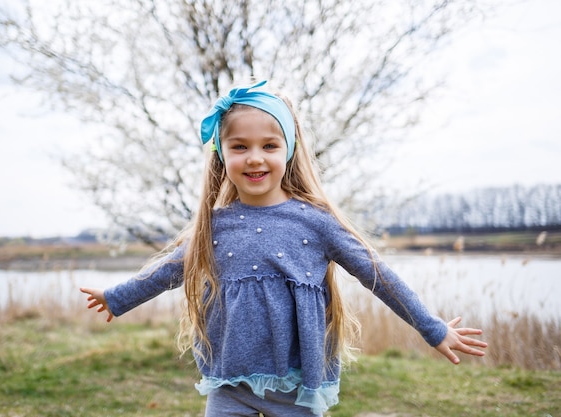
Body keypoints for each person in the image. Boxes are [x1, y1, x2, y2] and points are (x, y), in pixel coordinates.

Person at [80, 80, 487, 416]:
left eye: (269, 146)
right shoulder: (213, 227)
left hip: (298, 385)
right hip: (230, 383)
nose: (254, 158)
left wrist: (431, 328)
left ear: (288, 150)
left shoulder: (316, 221)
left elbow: (378, 275)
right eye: (239, 146)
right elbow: (168, 270)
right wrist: (117, 297)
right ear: (222, 153)